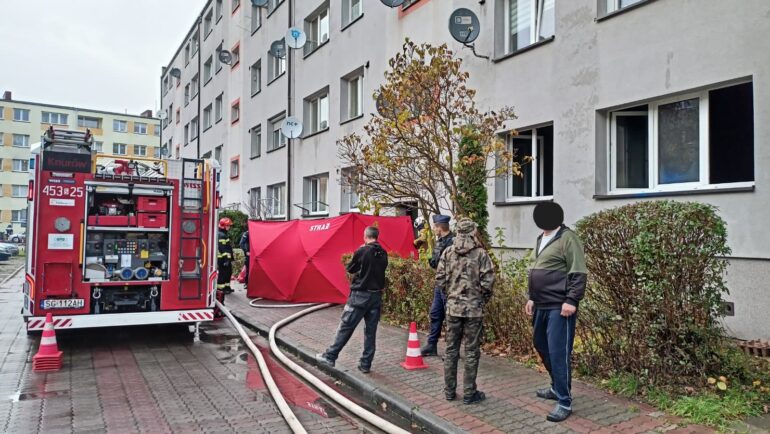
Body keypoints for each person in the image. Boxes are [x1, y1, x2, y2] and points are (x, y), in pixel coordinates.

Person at [525, 202, 587, 422]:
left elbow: (578, 271)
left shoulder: (568, 238)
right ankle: (555, 386)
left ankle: (564, 401)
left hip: (560, 307)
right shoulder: (541, 238)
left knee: (558, 352)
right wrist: (531, 297)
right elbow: (535, 269)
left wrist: (571, 300)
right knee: (540, 345)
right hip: (540, 304)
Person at [436, 218, 495, 405]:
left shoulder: (448, 252)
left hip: (453, 309)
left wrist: (451, 297)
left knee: (451, 350)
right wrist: (480, 300)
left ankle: (449, 391)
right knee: (471, 351)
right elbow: (488, 282)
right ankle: (469, 392)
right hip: (473, 310)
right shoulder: (480, 254)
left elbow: (440, 279)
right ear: (473, 232)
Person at [316, 226, 389, 374]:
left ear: (365, 236)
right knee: (370, 332)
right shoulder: (383, 252)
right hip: (375, 297)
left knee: (346, 326)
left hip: (360, 297)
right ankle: (365, 364)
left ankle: (330, 356)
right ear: (377, 236)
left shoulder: (363, 251)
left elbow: (350, 268)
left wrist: (359, 253)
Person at [421, 215, 455, 356]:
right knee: (435, 314)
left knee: (451, 318)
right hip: (439, 285)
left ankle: (453, 349)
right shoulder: (440, 241)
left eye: (435, 227)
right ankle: (431, 344)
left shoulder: (452, 243)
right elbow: (434, 263)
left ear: (440, 227)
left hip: (449, 286)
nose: (434, 229)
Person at [215, 217, 234, 318]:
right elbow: (223, 249)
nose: (229, 227)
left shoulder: (223, 234)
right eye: (228, 225)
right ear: (223, 225)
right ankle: (220, 291)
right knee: (223, 276)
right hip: (223, 260)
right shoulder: (221, 235)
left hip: (224, 260)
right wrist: (227, 259)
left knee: (228, 273)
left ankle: (226, 287)